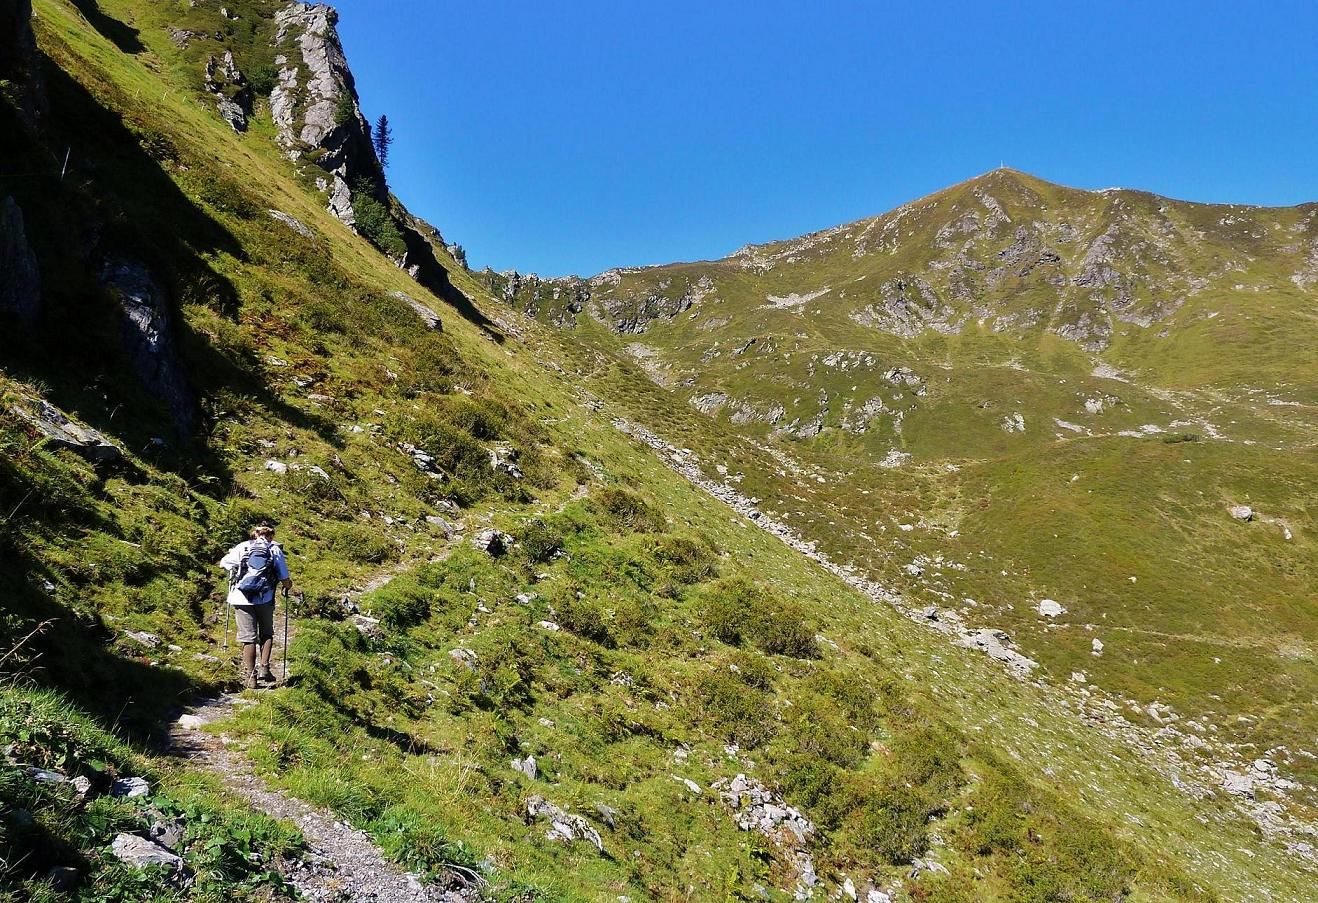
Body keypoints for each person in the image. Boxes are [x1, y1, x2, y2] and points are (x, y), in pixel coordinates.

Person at [220, 520, 292, 689]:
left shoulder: (243, 546)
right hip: (264, 597)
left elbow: (224, 563)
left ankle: (250, 677)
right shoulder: (274, 549)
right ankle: (264, 669)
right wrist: (288, 585)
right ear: (271, 535)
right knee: (266, 632)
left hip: (241, 597)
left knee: (248, 638)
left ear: (255, 533)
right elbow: (284, 577)